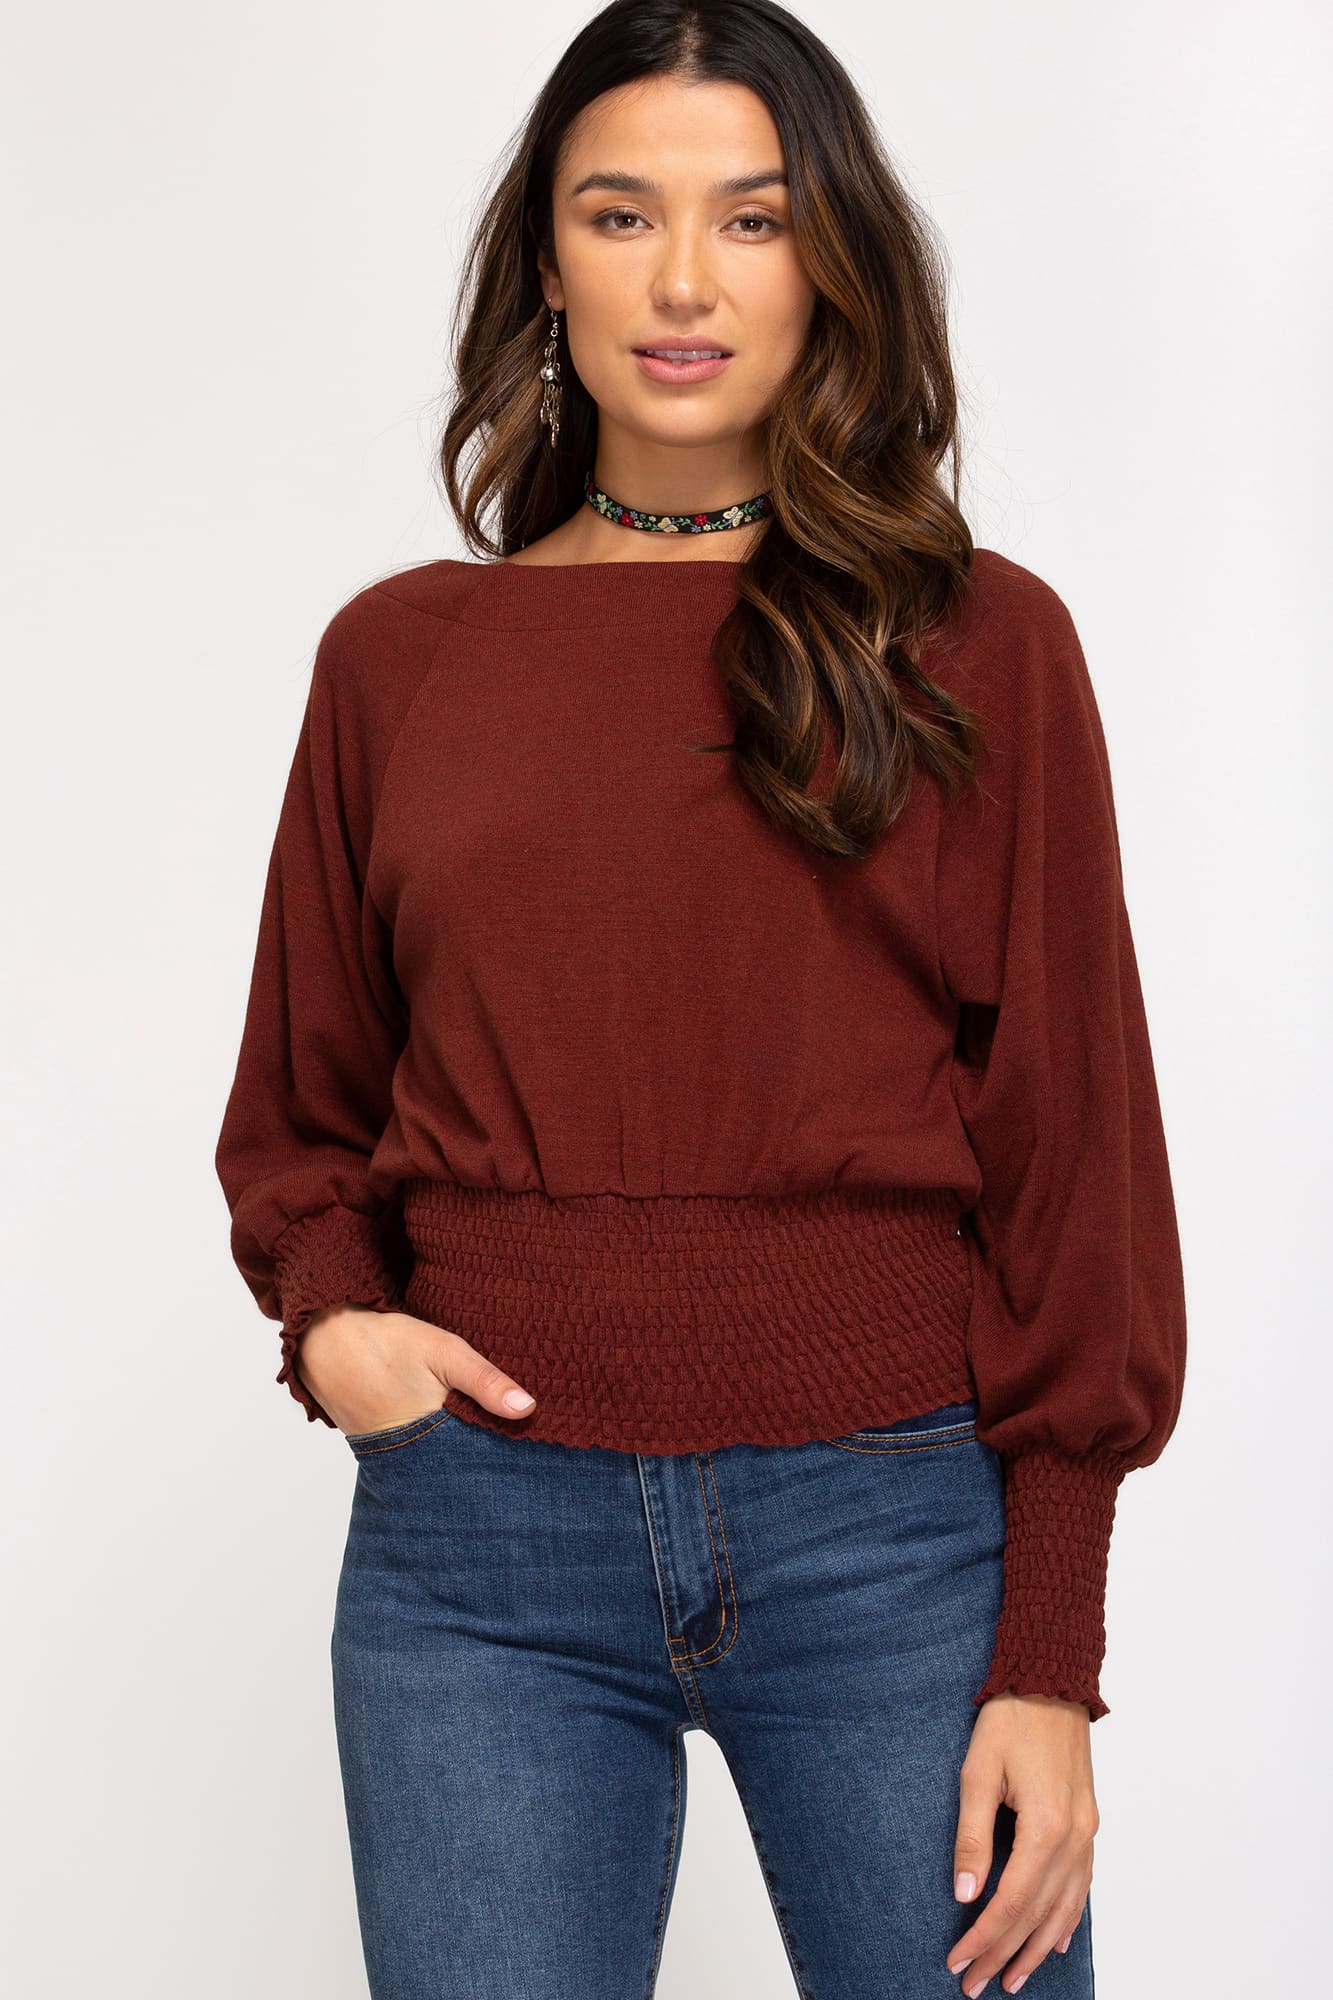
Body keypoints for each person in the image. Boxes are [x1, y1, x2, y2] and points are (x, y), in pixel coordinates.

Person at [213, 3, 1187, 1995]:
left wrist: (1049, 1655)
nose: (681, 281)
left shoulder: (977, 643)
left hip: (892, 1535)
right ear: (543, 263)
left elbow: (1072, 1151)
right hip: (476, 1557)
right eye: (618, 214)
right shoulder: (397, 660)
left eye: (749, 219)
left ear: (827, 264)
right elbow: (305, 1101)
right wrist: (336, 1328)